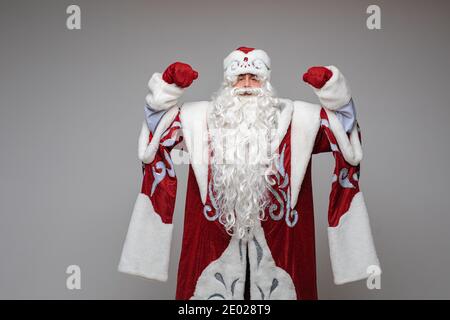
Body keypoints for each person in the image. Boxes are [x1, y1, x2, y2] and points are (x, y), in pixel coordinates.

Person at [118, 47, 381, 300]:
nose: (246, 84)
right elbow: (156, 130)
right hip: (210, 247)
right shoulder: (196, 119)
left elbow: (345, 132)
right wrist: (167, 87)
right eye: (239, 78)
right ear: (227, 84)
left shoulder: (300, 119)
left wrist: (333, 91)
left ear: (265, 81)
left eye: (254, 77)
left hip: (283, 250)